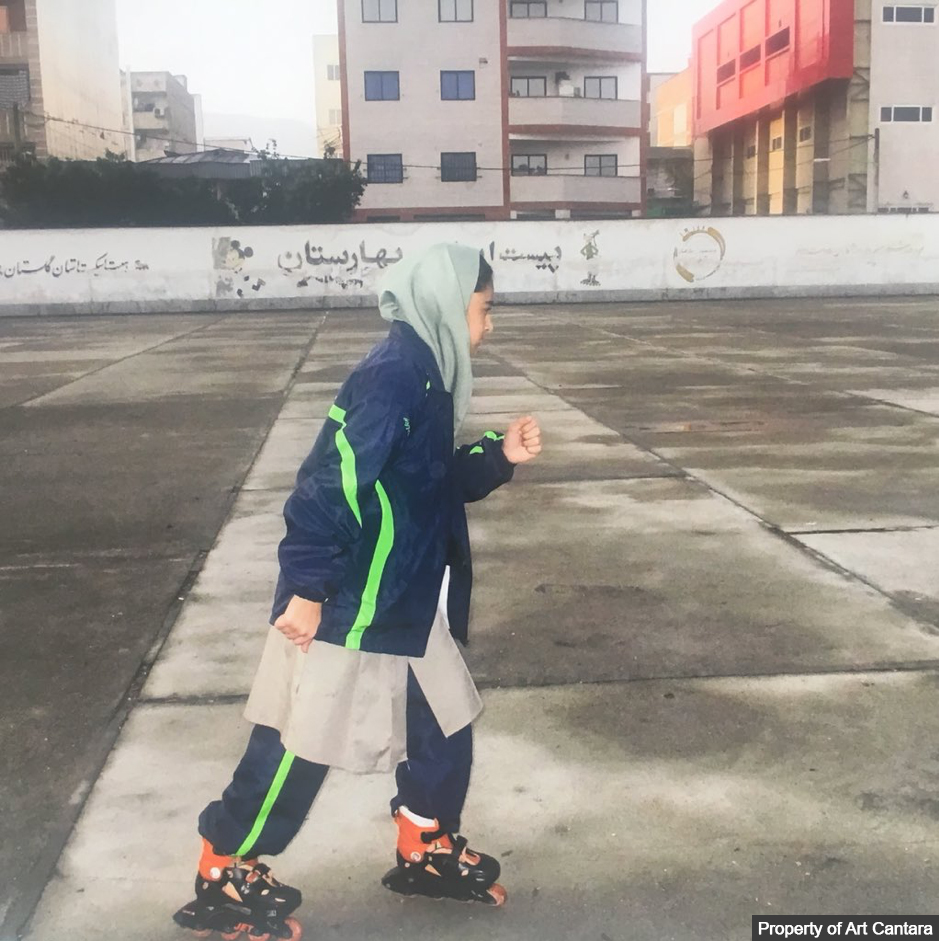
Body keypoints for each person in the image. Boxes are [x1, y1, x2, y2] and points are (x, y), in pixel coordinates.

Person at [173, 244, 543, 940]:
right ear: (446, 304)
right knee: (296, 743)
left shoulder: (428, 374)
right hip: (350, 601)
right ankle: (224, 864)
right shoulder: (392, 375)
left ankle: (423, 842)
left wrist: (497, 456)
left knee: (445, 724)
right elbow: (328, 483)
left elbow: (424, 485)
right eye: (484, 309)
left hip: (406, 600)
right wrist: (307, 587)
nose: (489, 325)